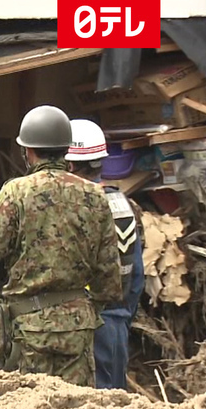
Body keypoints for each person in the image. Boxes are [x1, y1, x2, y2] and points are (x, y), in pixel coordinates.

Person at [0, 105, 121, 387]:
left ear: (28, 151)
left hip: (28, 327)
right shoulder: (95, 196)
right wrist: (86, 311)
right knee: (76, 407)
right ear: (66, 149)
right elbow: (108, 275)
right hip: (77, 326)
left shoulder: (17, 191)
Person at [66, 119, 145, 389]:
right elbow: (136, 279)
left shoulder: (72, 208)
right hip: (116, 326)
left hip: (81, 329)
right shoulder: (125, 205)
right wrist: (120, 316)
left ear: (70, 165)